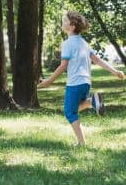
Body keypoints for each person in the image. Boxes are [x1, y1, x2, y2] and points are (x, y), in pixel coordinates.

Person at [38, 11, 124, 145]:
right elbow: (97, 60)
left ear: (71, 26)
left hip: (75, 83)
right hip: (86, 82)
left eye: (65, 20)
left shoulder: (67, 44)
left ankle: (82, 143)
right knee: (75, 108)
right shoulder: (84, 43)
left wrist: (49, 81)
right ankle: (92, 101)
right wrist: (114, 71)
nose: (63, 22)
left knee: (69, 112)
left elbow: (63, 66)